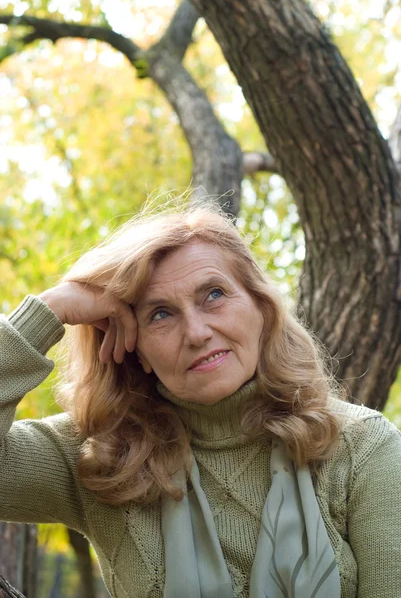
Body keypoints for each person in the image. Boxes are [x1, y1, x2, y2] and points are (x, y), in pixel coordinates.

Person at [1, 204, 401, 598]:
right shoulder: (101, 455)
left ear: (261, 307)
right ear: (135, 348)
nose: (196, 332)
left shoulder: (363, 447)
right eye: (160, 315)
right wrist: (47, 311)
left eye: (213, 294)